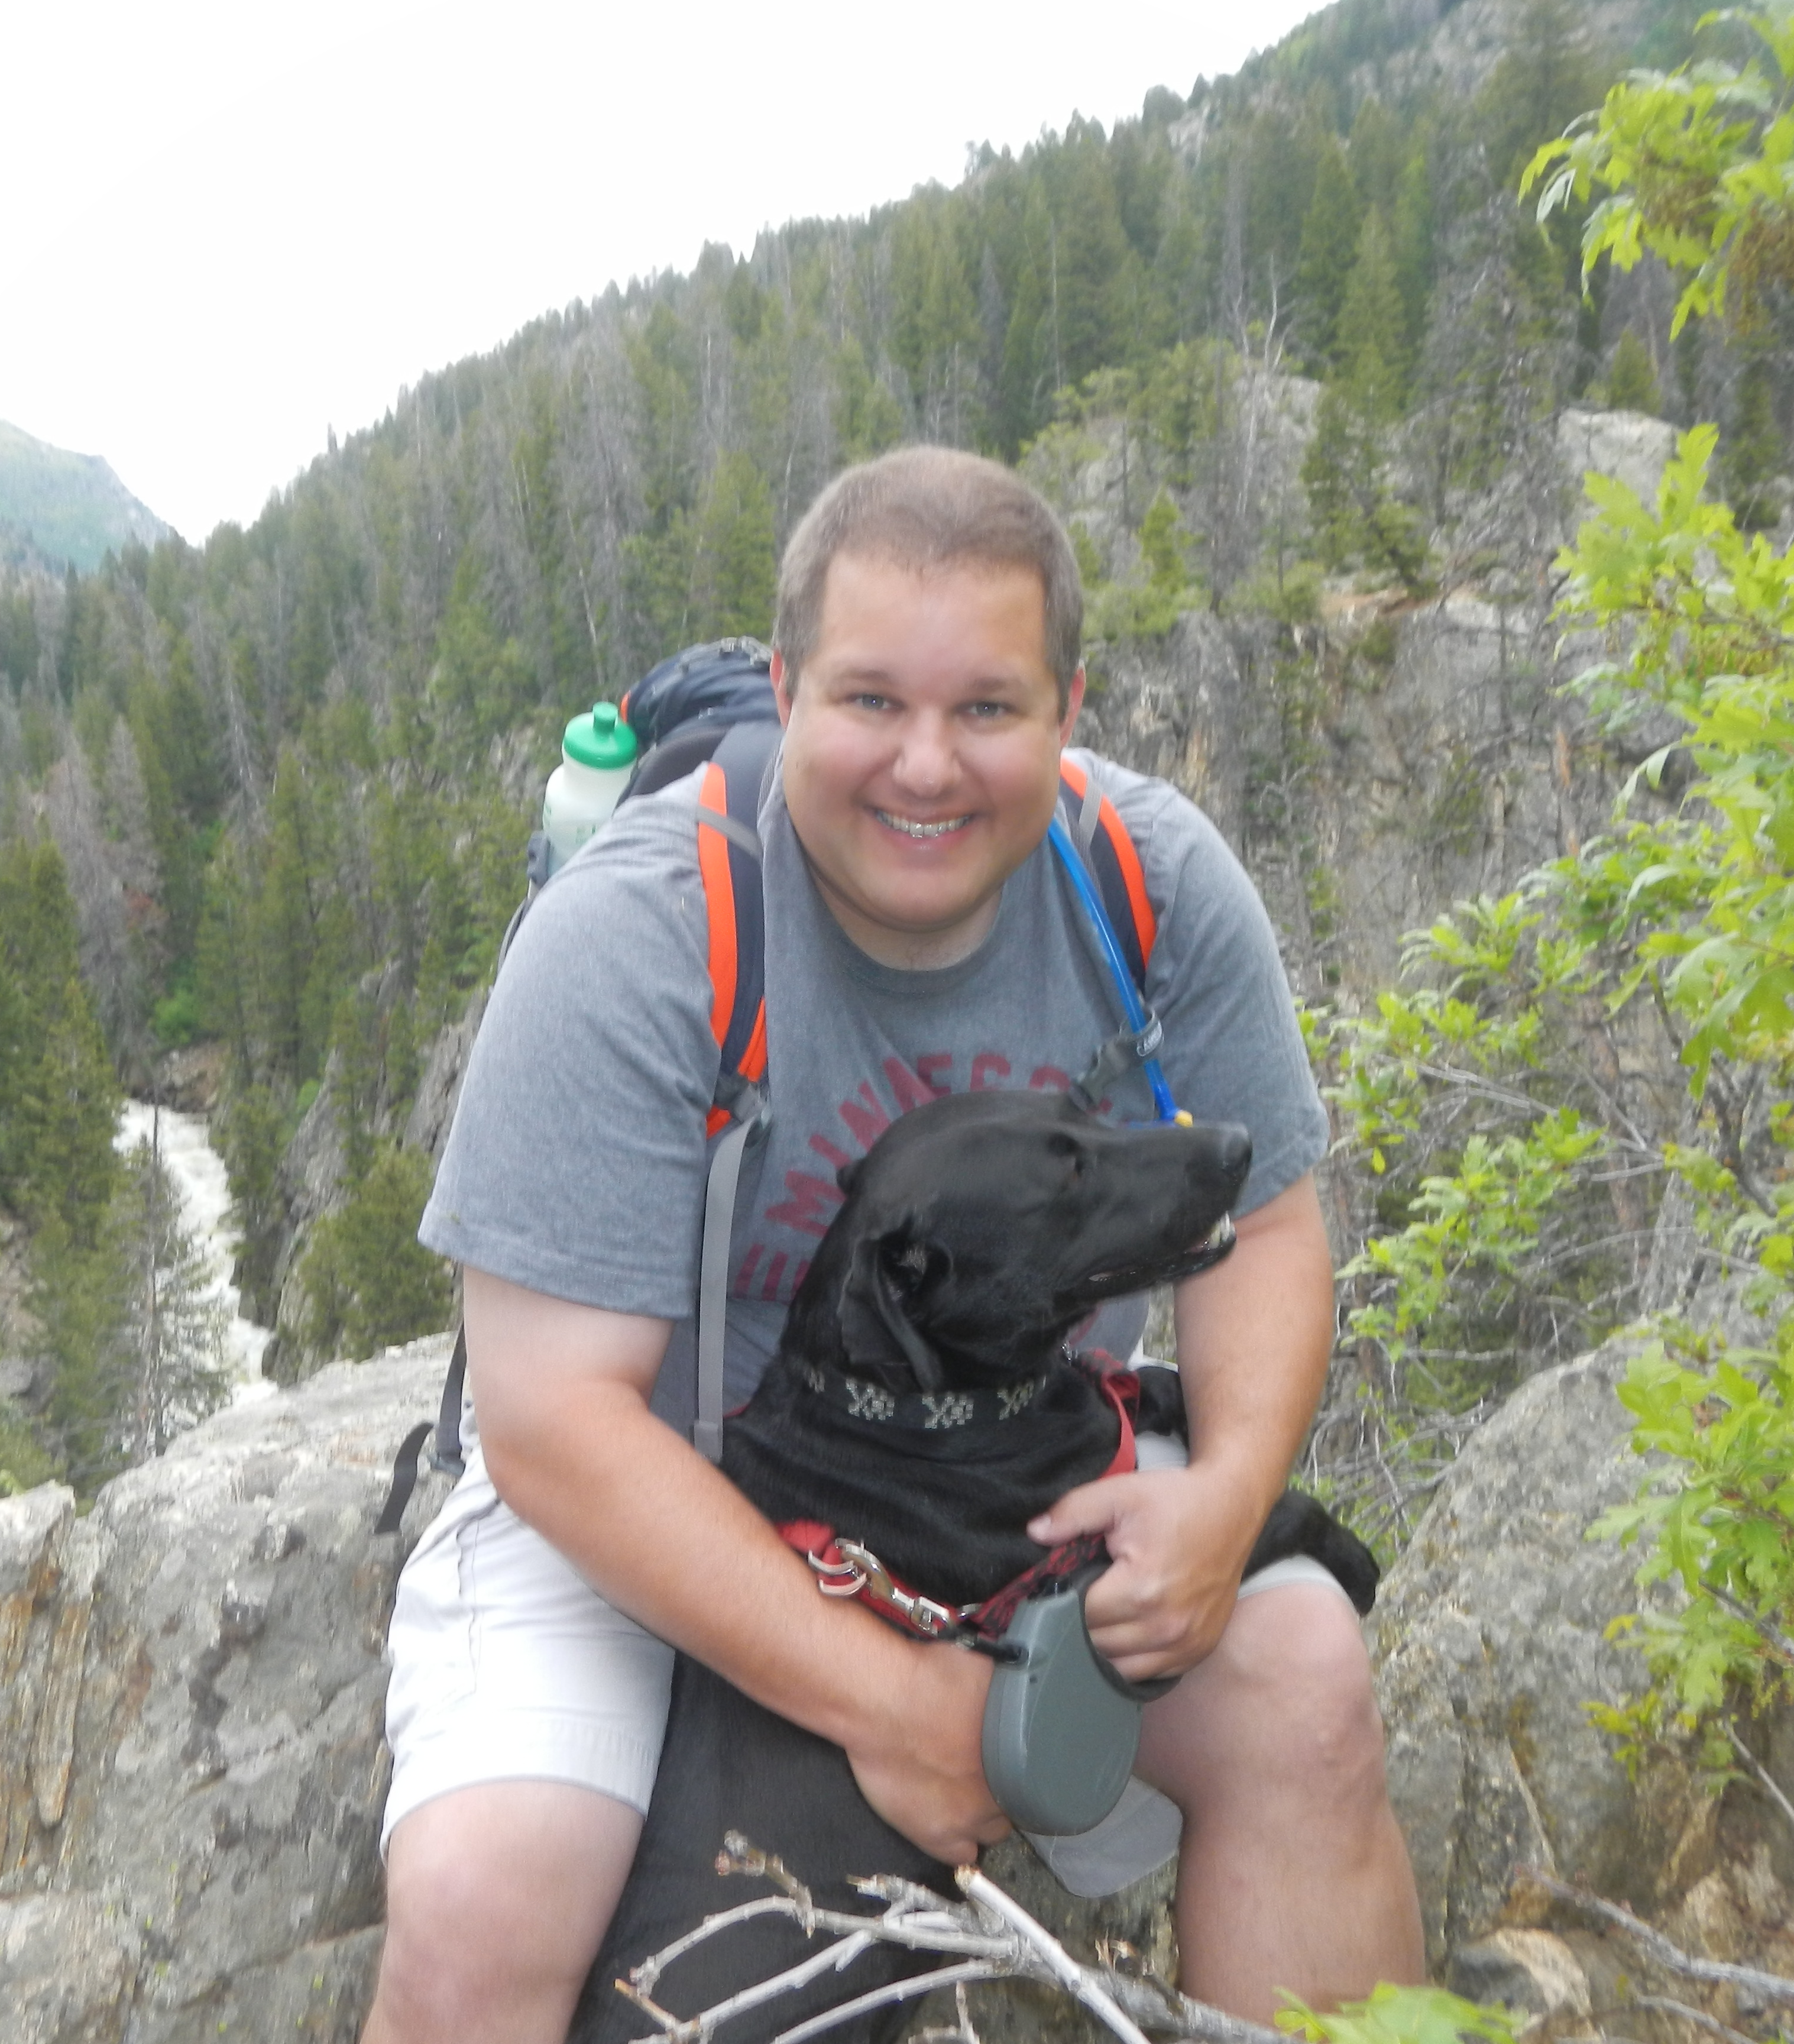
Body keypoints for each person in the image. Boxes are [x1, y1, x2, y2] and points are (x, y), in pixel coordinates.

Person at [361, 447, 1424, 2044]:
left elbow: (1262, 1229)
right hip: (659, 1480)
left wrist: (1222, 1502)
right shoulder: (641, 936)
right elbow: (554, 1423)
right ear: (787, 691)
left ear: (1068, 707)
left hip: (1004, 1464)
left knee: (1307, 1687)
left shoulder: (1145, 887)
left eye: (987, 707)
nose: (926, 766)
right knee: (483, 1901)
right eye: (871, 701)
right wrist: (900, 1707)